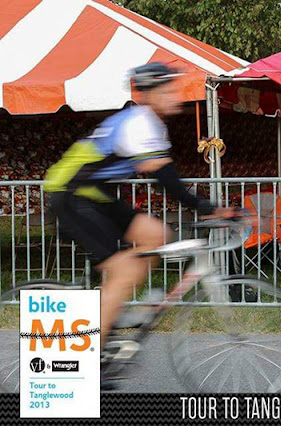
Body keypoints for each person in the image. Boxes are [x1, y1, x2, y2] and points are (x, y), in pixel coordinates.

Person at [44, 63, 233, 386]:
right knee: (124, 271)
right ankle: (92, 353)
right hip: (71, 193)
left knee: (158, 234)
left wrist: (204, 208)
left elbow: (167, 178)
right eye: (166, 90)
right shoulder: (138, 123)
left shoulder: (153, 125)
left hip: (95, 193)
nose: (174, 95)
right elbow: (167, 181)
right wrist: (207, 208)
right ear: (147, 95)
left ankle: (120, 309)